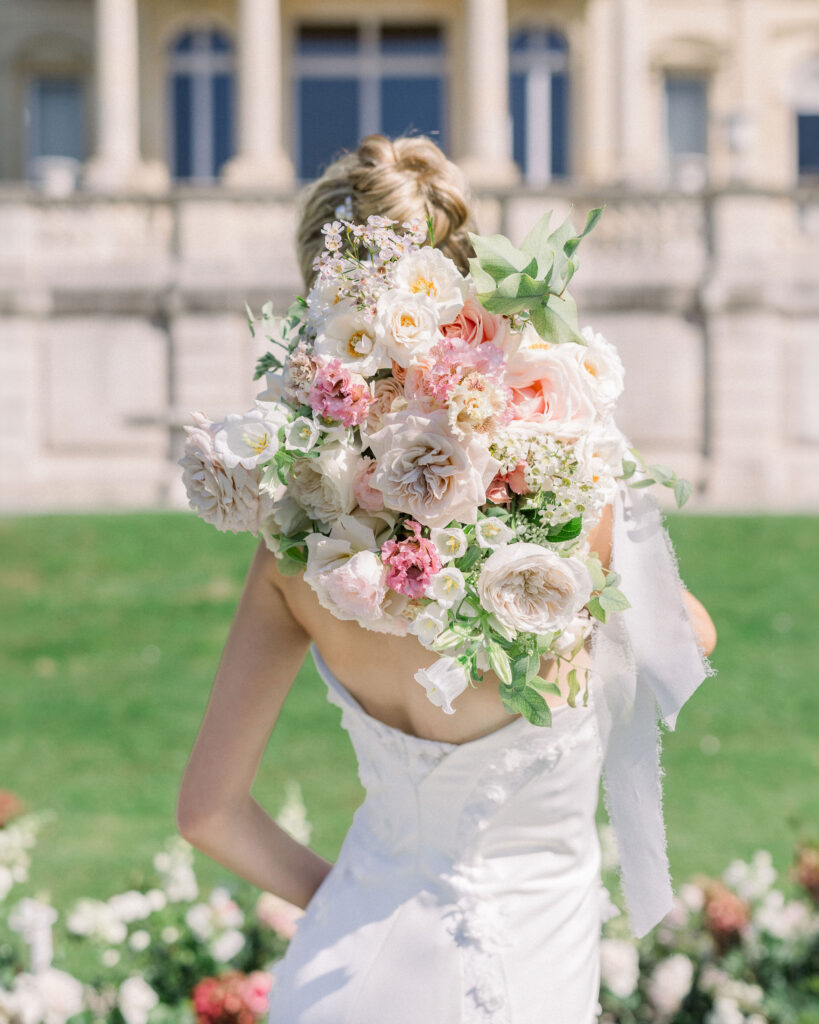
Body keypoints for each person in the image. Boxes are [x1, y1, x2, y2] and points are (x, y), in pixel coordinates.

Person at [176, 135, 717, 1024]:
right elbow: (683, 643)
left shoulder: (297, 543)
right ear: (464, 279)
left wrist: (357, 901)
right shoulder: (563, 501)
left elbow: (207, 813)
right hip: (525, 981)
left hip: (340, 978)